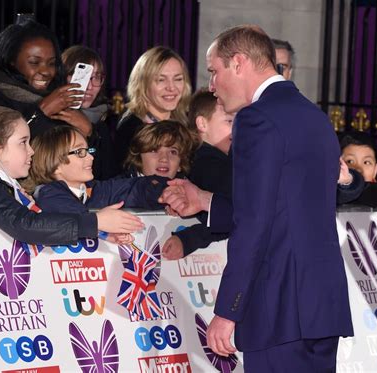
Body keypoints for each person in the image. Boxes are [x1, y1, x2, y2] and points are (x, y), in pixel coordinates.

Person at [161, 25, 353, 371]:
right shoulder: (316, 117)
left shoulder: (255, 118)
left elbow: (255, 222)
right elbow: (284, 209)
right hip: (321, 307)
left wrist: (228, 310)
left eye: (214, 71)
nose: (212, 86)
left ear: (239, 63)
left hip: (278, 307)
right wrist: (205, 201)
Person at [0, 106, 145, 245]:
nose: (31, 151)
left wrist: (101, 231)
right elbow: (24, 225)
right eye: (23, 143)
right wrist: (95, 222)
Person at [26, 125, 168, 243]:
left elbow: (133, 189)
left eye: (88, 150)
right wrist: (100, 225)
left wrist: (167, 193)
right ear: (55, 164)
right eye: (80, 152)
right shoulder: (47, 194)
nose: (91, 157)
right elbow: (70, 214)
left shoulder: (94, 189)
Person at [162, 89, 233, 260]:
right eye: (229, 121)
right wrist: (191, 238)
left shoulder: (194, 160)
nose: (237, 128)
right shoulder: (213, 165)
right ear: (202, 124)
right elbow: (240, 217)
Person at [114, 46, 192, 172]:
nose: (171, 88)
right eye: (161, 80)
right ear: (142, 84)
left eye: (178, 79)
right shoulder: (130, 130)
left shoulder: (187, 124)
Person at [61, 45, 116, 180]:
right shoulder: (48, 118)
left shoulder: (101, 123)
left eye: (96, 77)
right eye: (82, 76)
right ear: (63, 76)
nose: (90, 87)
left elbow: (107, 176)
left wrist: (91, 134)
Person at [340, 132, 377, 209]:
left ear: (376, 170)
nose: (358, 169)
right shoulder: (329, 195)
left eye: (366, 162)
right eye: (350, 161)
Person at [123, 120, 194, 179]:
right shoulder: (119, 192)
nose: (164, 159)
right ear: (139, 158)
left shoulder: (189, 193)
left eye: (173, 152)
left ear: (180, 164)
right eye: (154, 150)